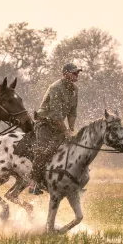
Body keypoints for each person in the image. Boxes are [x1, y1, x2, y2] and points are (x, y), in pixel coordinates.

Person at [29, 63, 81, 194]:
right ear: (65, 74)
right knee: (43, 151)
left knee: (68, 149)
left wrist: (72, 128)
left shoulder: (75, 90)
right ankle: (34, 183)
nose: (77, 75)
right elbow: (56, 115)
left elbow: (72, 112)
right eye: (74, 73)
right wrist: (66, 131)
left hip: (58, 125)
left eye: (77, 73)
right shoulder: (55, 88)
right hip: (45, 122)